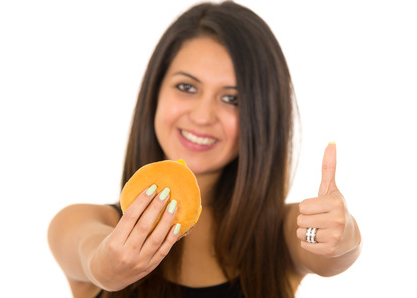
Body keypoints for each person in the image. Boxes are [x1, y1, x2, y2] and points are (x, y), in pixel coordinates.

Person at [48, 1, 362, 297]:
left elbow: (332, 256)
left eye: (232, 99)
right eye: (186, 87)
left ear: (262, 118)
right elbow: (88, 252)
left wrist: (345, 237)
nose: (201, 116)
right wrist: (105, 266)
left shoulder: (281, 231)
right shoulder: (81, 221)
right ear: (155, 92)